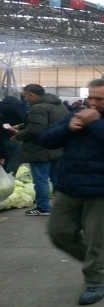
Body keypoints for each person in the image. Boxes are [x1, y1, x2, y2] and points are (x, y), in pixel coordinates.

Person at [39, 78, 104, 305]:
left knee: (97, 240)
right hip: (70, 186)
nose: (92, 102)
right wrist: (68, 128)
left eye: (99, 98)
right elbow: (46, 140)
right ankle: (99, 260)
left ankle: (96, 282)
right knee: (59, 233)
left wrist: (95, 122)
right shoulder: (75, 114)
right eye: (90, 97)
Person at [8, 84, 69, 216]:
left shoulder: (38, 107)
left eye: (25, 96)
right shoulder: (58, 104)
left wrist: (17, 135)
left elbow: (36, 130)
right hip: (57, 146)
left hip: (40, 149)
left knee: (40, 180)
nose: (24, 99)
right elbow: (44, 123)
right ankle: (63, 206)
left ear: (31, 94)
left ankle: (43, 207)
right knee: (56, 178)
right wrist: (21, 125)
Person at [0, 95, 25, 175]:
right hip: (12, 137)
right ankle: (10, 176)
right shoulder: (15, 109)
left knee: (3, 158)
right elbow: (23, 121)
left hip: (2, 138)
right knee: (14, 159)